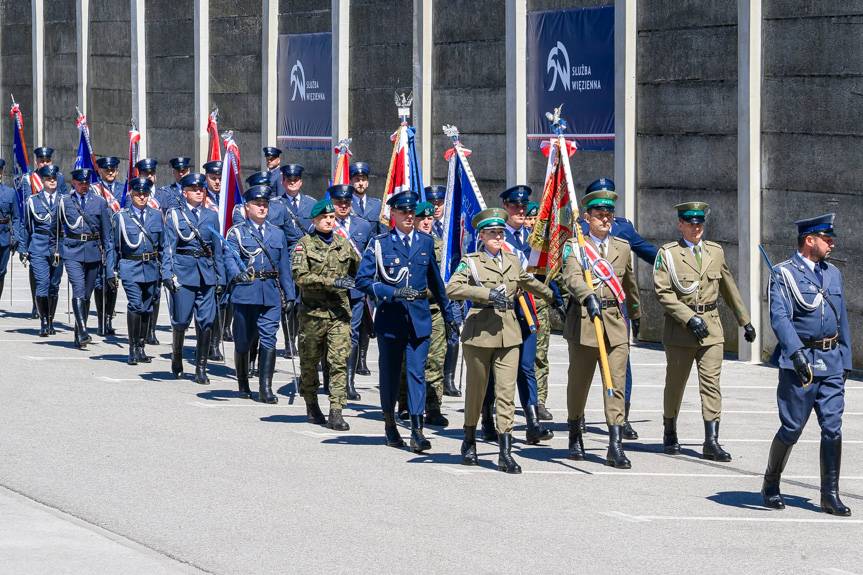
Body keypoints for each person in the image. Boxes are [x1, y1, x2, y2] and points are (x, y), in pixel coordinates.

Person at [446, 207, 553, 473]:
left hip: (509, 333)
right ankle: (469, 439)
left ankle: (505, 451)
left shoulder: (513, 260)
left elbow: (526, 281)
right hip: (480, 333)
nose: (497, 236)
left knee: (506, 393)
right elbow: (452, 288)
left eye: (501, 232)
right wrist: (486, 294)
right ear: (481, 235)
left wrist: (553, 295)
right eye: (492, 232)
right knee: (477, 390)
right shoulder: (470, 261)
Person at [761, 214, 852, 516]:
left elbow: (842, 319)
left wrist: (846, 359)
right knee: (791, 428)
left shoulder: (834, 274)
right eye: (827, 239)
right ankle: (771, 483)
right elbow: (780, 317)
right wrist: (797, 352)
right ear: (810, 240)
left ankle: (830, 495)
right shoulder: (783, 274)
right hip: (801, 363)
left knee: (833, 428)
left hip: (832, 361)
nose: (832, 243)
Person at [653, 201, 756, 461]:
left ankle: (711, 441)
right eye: (690, 223)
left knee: (711, 384)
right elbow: (663, 293)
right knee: (675, 384)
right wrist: (688, 318)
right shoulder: (669, 254)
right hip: (680, 331)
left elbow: (729, 288)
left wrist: (745, 321)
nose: (696, 227)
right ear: (680, 225)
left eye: (699, 223)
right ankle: (670, 431)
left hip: (711, 326)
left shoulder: (715, 252)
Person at [356, 191, 456, 453]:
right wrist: (392, 293)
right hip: (391, 319)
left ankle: (417, 430)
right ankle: (390, 425)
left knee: (416, 374)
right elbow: (363, 281)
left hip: (419, 318)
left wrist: (449, 316)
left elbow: (435, 281)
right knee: (389, 376)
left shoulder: (425, 242)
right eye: (403, 212)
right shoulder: (380, 244)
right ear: (393, 214)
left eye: (412, 212)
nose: (409, 216)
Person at [561, 188, 640, 468]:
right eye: (599, 214)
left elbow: (628, 284)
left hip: (615, 324)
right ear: (587, 217)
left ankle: (614, 444)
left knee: (615, 383)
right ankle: (574, 434)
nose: (605, 219)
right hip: (585, 320)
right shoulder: (575, 246)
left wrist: (637, 313)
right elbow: (570, 276)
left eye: (609, 214)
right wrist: (587, 295)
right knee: (579, 384)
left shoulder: (622, 246)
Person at [578, 178, 659, 438]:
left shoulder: (622, 229)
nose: (606, 212)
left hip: (614, 311)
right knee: (583, 369)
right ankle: (576, 416)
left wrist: (675, 262)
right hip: (585, 311)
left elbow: (646, 255)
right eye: (599, 204)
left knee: (622, 367)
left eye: (610, 203)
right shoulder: (576, 232)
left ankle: (621, 417)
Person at [481, 184, 557, 445]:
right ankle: (487, 419)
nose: (521, 210)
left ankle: (533, 422)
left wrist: (555, 295)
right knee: (494, 369)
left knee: (527, 367)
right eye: (515, 206)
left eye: (524, 206)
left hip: (528, 312)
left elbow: (542, 272)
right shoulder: (496, 236)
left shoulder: (533, 237)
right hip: (502, 312)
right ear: (505, 207)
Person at [292, 196, 359, 427]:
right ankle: (311, 404)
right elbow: (300, 277)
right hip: (313, 314)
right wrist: (331, 281)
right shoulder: (304, 245)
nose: (329, 221)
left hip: (339, 313)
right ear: (315, 220)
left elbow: (358, 270)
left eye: (332, 217)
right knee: (310, 362)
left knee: (338, 361)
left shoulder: (344, 244)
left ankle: (336, 410)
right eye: (324, 218)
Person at [226, 185, 294, 403]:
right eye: (258, 204)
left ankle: (265, 387)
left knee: (269, 338)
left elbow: (284, 266)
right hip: (246, 292)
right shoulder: (237, 232)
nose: (263, 208)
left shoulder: (277, 233)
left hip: (271, 292)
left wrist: (290, 294)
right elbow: (230, 258)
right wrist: (238, 275)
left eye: (265, 204)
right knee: (243, 341)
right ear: (247, 207)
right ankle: (243, 381)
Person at [161, 172, 225, 384]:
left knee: (206, 322)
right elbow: (168, 247)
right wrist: (167, 273)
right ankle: (177, 356)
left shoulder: (211, 216)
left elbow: (218, 251)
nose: (199, 192)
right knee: (180, 320)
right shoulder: (175, 215)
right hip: (184, 272)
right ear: (185, 192)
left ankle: (201, 368)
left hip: (206, 275)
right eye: (194, 190)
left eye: (201, 189)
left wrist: (221, 278)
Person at [59, 168, 116, 349]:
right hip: (72, 251)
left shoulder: (99, 203)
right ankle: (84, 331)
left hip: (92, 252)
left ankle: (78, 333)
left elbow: (107, 235)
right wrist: (58, 250)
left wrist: (109, 262)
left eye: (86, 183)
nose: (84, 185)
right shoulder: (65, 202)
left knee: (86, 294)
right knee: (78, 289)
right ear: (73, 183)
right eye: (80, 183)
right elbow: (56, 229)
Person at [112, 177, 164, 365]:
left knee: (148, 307)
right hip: (130, 267)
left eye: (145, 194)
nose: (141, 197)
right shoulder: (121, 217)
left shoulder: (157, 216)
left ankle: (141, 346)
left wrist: (165, 271)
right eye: (138, 194)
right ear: (131, 195)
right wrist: (111, 270)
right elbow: (114, 245)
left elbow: (163, 246)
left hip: (151, 268)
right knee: (135, 305)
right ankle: (132, 348)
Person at [331, 184, 372, 401]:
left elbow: (368, 257)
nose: (344, 206)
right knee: (330, 335)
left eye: (347, 202)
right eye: (339, 203)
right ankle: (331, 379)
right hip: (331, 290)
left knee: (353, 335)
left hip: (355, 291)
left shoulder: (363, 226)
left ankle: (348, 382)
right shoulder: (324, 224)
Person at [19, 164, 64, 336]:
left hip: (58, 247)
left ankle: (51, 320)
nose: (52, 181)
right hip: (38, 245)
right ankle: (44, 321)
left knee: (54, 285)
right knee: (42, 284)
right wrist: (24, 247)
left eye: (54, 179)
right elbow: (27, 226)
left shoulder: (64, 200)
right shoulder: (33, 200)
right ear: (43, 180)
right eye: (48, 179)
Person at [425, 185, 461, 398]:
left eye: (439, 203)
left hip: (452, 292)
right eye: (432, 204)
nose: (436, 208)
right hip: (431, 294)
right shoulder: (425, 228)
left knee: (453, 334)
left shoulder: (453, 227)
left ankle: (449, 379)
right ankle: (434, 378)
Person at [280, 163, 315, 358]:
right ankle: (288, 342)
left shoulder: (311, 204)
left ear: (300, 182)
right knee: (289, 303)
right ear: (283, 181)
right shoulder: (276, 204)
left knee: (306, 303)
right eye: (289, 180)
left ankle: (305, 340)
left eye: (295, 180)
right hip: (286, 259)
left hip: (308, 260)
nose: (292, 183)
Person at [349, 162, 379, 376]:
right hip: (350, 269)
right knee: (352, 319)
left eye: (363, 179)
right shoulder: (345, 203)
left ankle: (362, 360)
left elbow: (380, 233)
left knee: (367, 316)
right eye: (356, 179)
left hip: (369, 267)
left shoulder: (377, 205)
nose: (360, 183)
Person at [136, 158, 163, 345]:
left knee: (156, 292)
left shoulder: (163, 195)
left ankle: (152, 330)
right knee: (143, 296)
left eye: (152, 173)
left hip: (158, 249)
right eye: (146, 174)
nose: (150, 176)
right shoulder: (134, 192)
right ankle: (143, 332)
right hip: (140, 250)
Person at [202, 160, 227, 362]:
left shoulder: (230, 197)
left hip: (227, 256)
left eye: (220, 177)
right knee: (208, 303)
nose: (217, 181)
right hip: (207, 257)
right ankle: (207, 343)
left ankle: (215, 342)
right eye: (213, 178)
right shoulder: (201, 200)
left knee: (225, 303)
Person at [0, 159, 21, 306]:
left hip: (3, 237)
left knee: (1, 272)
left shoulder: (10, 192)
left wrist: (15, 236)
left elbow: (17, 217)